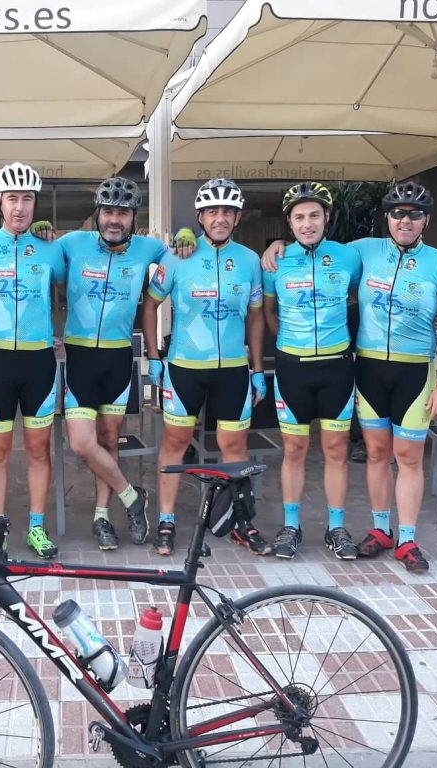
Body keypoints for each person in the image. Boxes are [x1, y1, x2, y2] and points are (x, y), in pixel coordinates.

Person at [263, 181, 437, 573]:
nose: (405, 221)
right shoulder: (363, 250)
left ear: (426, 220)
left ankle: (405, 538)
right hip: (363, 367)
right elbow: (272, 305)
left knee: (404, 455)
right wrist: (275, 245)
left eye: (415, 215)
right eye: (398, 213)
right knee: (371, 453)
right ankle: (378, 530)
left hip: (405, 369)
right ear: (387, 217)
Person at [142, 178, 266, 556]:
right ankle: (166, 521)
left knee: (234, 446)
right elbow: (150, 305)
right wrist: (153, 357)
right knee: (176, 443)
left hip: (233, 369)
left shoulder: (249, 260)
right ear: (200, 217)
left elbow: (256, 316)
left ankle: (241, 522)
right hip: (185, 368)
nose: (220, 218)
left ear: (238, 217)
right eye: (213, 211)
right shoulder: (178, 256)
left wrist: (257, 369)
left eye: (228, 211)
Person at [46, 177, 157, 550]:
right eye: (108, 211)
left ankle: (101, 516)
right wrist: (39, 231)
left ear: (134, 217)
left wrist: (188, 235)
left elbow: (190, 254)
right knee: (82, 442)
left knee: (110, 439)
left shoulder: (148, 248)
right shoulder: (73, 243)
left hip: (118, 356)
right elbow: (33, 255)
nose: (115, 220)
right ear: (97, 214)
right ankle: (132, 497)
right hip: (80, 356)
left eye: (123, 213)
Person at [0, 162, 66, 559]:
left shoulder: (50, 247)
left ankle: (37, 527)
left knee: (39, 450)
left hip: (39, 361)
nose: (20, 207)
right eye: (12, 198)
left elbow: (79, 266)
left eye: (27, 199)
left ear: (35, 203)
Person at [262, 182, 362, 560]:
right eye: (300, 217)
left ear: (327, 218)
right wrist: (286, 343)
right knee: (294, 449)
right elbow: (268, 311)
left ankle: (336, 527)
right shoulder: (275, 262)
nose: (308, 224)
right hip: (292, 369)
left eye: (314, 216)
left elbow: (359, 295)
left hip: (337, 368)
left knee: (336, 449)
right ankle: (291, 526)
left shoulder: (349, 257)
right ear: (289, 223)